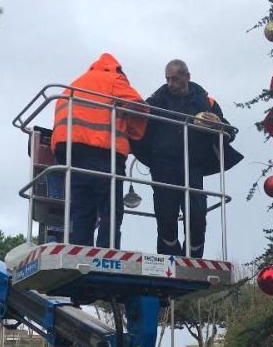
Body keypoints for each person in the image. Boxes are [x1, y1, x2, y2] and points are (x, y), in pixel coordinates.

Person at [132, 60, 242, 258]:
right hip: (163, 164)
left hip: (193, 165)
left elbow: (228, 130)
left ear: (187, 77)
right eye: (168, 79)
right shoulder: (156, 100)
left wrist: (217, 124)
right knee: (166, 212)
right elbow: (139, 124)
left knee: (197, 212)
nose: (171, 83)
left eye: (175, 79)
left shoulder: (205, 102)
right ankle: (168, 254)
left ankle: (194, 255)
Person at [51, 53, 147, 248]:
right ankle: (108, 250)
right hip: (103, 153)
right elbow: (139, 107)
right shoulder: (114, 80)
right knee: (110, 208)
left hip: (72, 155)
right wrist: (134, 131)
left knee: (82, 208)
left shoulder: (75, 85)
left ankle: (80, 249)